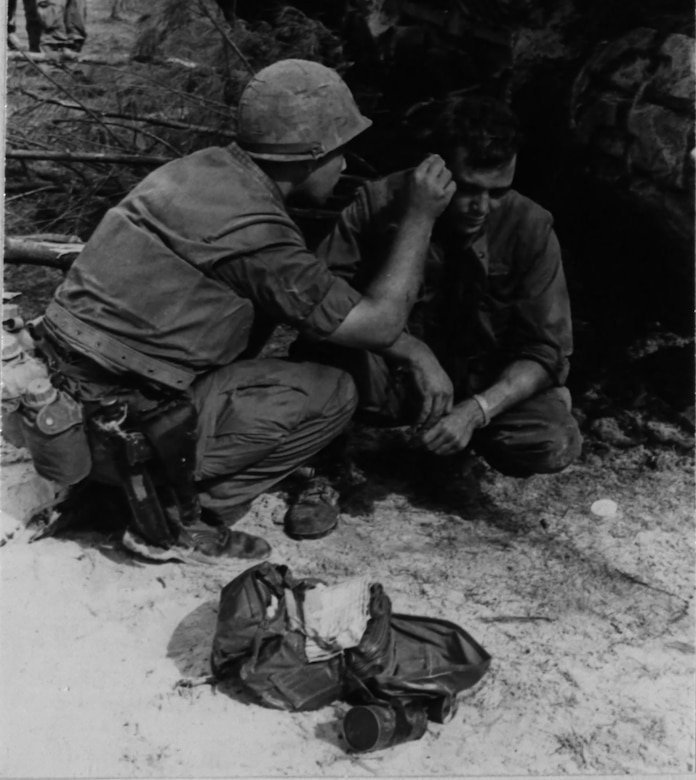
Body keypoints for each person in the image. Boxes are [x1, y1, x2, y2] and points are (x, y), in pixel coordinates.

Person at [36, 59, 455, 558]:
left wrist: (413, 350)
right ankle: (173, 510)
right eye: (340, 153)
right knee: (333, 393)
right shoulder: (257, 237)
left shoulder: (198, 169)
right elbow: (380, 322)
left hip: (56, 396)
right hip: (115, 425)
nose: (344, 165)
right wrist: (419, 218)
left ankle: (131, 481)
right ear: (310, 155)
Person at [305, 95, 583, 492]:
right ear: (434, 168)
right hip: (394, 374)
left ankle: (453, 449)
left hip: (477, 380)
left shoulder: (530, 227)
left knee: (552, 440)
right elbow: (318, 306)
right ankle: (327, 463)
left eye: (498, 191)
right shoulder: (379, 202)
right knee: (322, 362)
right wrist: (413, 353)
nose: (481, 207)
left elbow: (548, 350)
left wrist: (477, 411)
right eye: (468, 188)